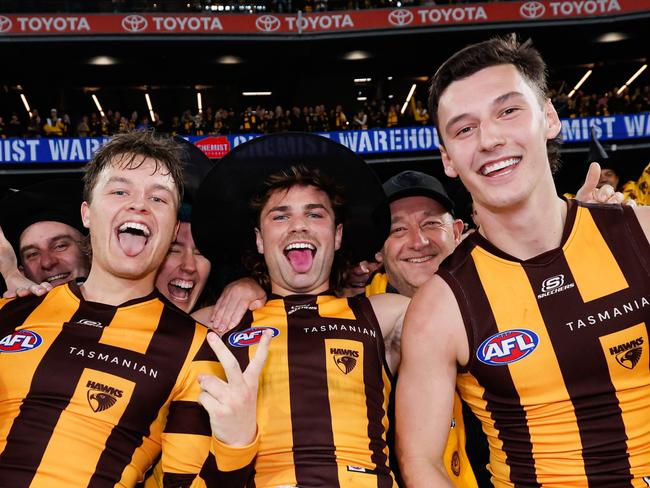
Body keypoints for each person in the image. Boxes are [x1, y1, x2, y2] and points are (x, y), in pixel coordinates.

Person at [397, 34, 650, 487]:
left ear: (549, 117)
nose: (490, 138)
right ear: (448, 159)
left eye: (508, 111)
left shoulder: (642, 233)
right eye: (464, 128)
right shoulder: (440, 307)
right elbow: (422, 463)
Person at [0, 130, 263, 486]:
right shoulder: (14, 312)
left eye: (158, 198)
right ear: (87, 214)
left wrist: (237, 442)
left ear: (172, 230)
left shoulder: (197, 348)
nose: (139, 204)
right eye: (120, 191)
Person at [192, 132, 410, 487]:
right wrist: (246, 285)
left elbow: (459, 304)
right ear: (260, 240)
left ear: (337, 235)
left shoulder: (383, 315)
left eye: (315, 213)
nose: (298, 225)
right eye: (280, 216)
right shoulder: (219, 322)